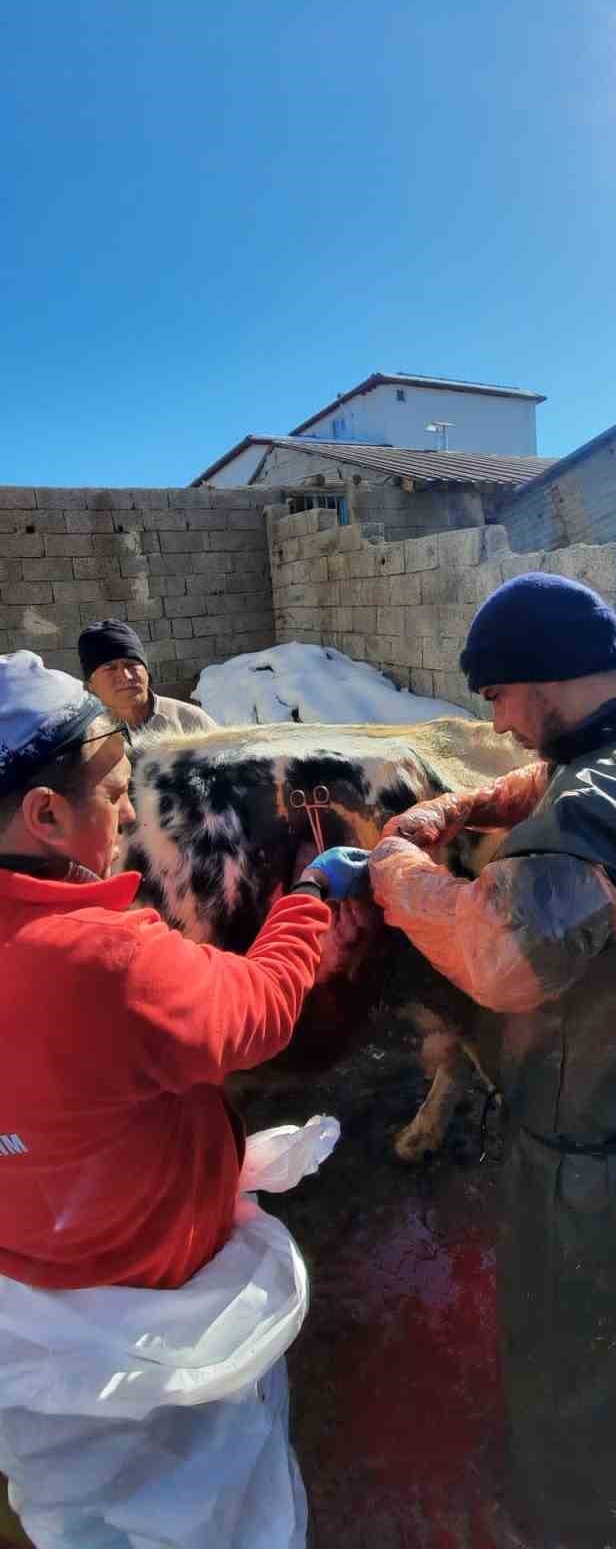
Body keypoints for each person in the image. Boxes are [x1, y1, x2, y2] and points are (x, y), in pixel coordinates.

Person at [367, 574, 616, 1549]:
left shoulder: (608, 797)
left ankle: (572, 1516)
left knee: (567, 1342)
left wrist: (398, 873)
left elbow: (507, 955)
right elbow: (571, 771)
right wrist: (464, 806)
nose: (498, 720)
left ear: (540, 684)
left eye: (495, 698)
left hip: (587, 1141)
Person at [0, 649, 367, 1546]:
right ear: (46, 812)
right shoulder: (98, 962)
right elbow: (263, 1008)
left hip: (29, 1307)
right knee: (212, 1508)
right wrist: (313, 893)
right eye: (118, 790)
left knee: (83, 1512)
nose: (130, 810)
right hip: (159, 1310)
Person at [77, 618, 217, 734]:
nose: (126, 676)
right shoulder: (86, 736)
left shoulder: (190, 721)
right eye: (111, 668)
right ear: (91, 685)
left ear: (146, 671)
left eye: (131, 664)